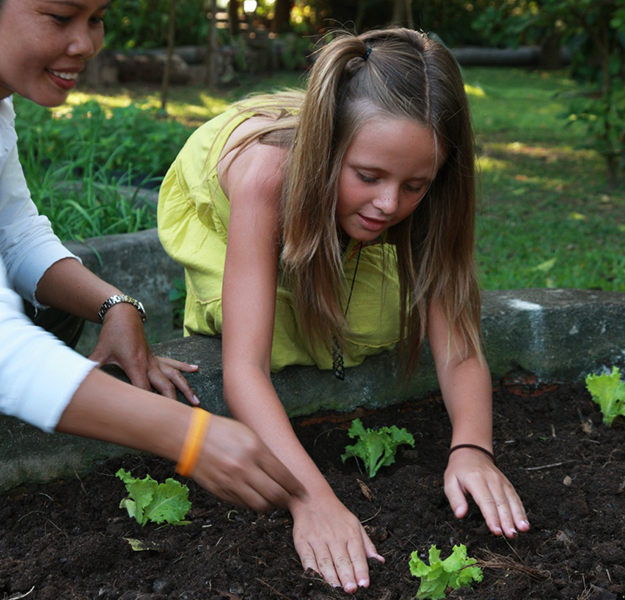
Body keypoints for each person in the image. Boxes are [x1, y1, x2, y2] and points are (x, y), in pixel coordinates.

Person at [0, 0, 305, 513]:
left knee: (50, 306)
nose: (85, 44)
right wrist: (191, 436)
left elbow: (14, 233)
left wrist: (117, 305)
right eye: (59, 19)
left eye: (96, 18)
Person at [158, 27, 530, 593]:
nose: (389, 204)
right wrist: (311, 499)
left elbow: (458, 346)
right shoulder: (265, 176)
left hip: (325, 185)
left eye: (415, 186)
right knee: (265, 327)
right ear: (328, 147)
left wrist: (473, 449)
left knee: (369, 318)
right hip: (243, 197)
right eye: (369, 176)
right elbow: (244, 372)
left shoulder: (423, 184)